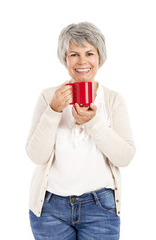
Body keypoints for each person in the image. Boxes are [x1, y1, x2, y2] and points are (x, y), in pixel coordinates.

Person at [26, 22, 136, 240]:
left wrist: (94, 122)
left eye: (89, 53)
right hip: (50, 209)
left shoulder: (113, 100)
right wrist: (54, 110)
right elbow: (36, 155)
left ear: (99, 58)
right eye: (74, 54)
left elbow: (125, 157)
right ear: (65, 59)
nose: (82, 61)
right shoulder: (49, 97)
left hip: (100, 210)